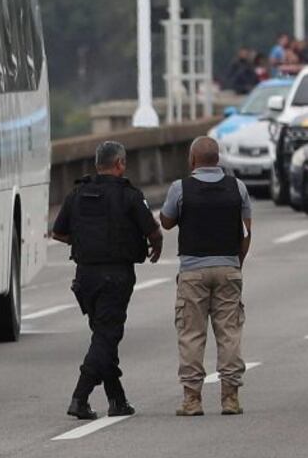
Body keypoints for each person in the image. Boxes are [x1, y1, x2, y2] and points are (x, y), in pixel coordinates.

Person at [51, 141, 163, 420]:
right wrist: (155, 249)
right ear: (120, 164)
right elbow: (153, 231)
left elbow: (58, 232)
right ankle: (80, 396)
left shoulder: (77, 193)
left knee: (103, 336)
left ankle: (117, 400)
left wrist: (86, 242)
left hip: (85, 276)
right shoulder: (129, 195)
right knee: (106, 336)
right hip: (116, 275)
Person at [159, 136, 252, 417]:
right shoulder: (237, 187)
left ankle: (192, 399)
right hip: (228, 269)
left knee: (191, 334)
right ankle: (230, 397)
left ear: (192, 160)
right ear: (218, 159)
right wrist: (236, 263)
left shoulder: (180, 188)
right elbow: (246, 232)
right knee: (229, 333)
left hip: (192, 272)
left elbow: (166, 221)